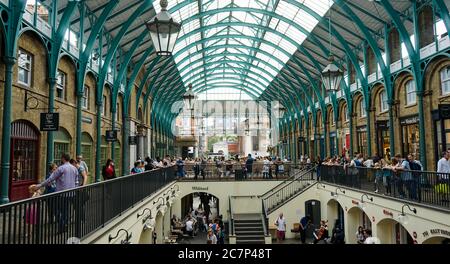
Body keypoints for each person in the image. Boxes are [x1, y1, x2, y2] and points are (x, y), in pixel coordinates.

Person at [29, 153, 78, 233]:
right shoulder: (74, 168)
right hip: (71, 193)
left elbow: (50, 179)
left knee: (55, 209)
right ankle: (64, 225)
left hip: (61, 193)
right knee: (65, 210)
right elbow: (76, 181)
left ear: (63, 159)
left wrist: (39, 186)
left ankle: (62, 224)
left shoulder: (61, 168)